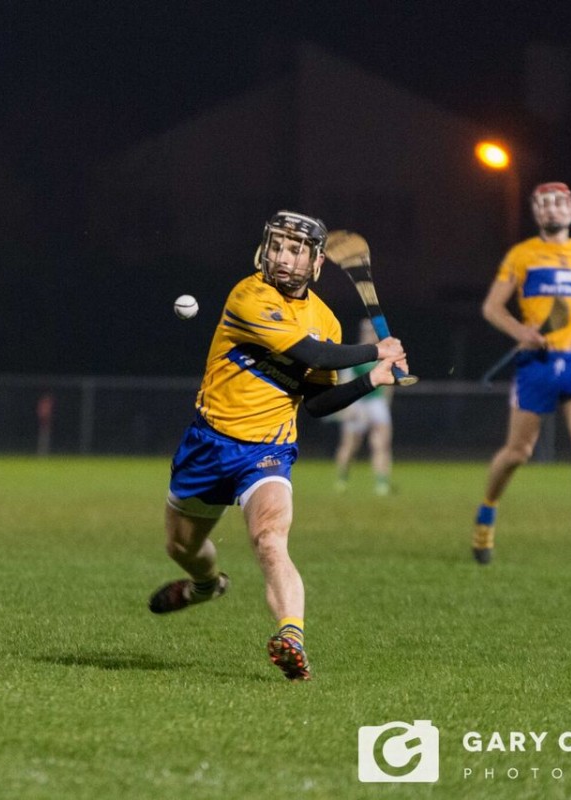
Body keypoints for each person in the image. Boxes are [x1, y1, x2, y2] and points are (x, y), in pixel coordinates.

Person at [147, 211, 409, 681]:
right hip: (208, 444)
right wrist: (377, 350)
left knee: (270, 540)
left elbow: (318, 403)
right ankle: (205, 585)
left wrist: (371, 378)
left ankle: (291, 638)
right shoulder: (249, 297)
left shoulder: (325, 320)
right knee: (182, 547)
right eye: (276, 246)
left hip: (267, 451)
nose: (282, 258)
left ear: (316, 263)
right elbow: (311, 354)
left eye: (295, 250)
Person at [471, 182, 571, 568]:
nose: (551, 209)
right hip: (538, 363)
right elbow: (492, 307)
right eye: (543, 204)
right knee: (518, 453)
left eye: (559, 203)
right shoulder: (522, 255)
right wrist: (521, 332)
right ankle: (487, 513)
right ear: (536, 212)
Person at [333, 318, 394, 496]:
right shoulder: (356, 354)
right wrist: (347, 407)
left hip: (376, 403)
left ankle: (382, 483)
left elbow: (388, 384)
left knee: (381, 444)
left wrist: (385, 404)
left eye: (373, 330)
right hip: (358, 403)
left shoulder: (384, 354)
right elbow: (345, 381)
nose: (371, 333)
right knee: (350, 445)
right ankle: (342, 479)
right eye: (368, 330)